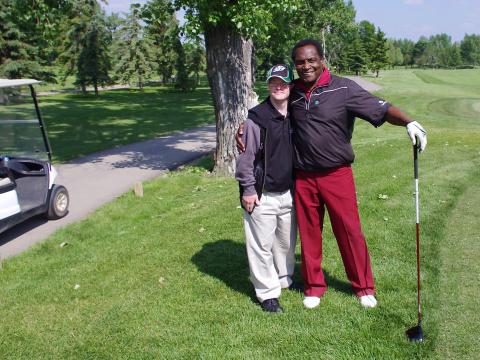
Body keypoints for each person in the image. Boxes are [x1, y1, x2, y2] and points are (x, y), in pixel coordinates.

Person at [237, 39, 427, 310]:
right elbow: (266, 111)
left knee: (349, 231)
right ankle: (314, 285)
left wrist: (408, 122)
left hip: (337, 174)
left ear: (322, 59)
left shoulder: (344, 88)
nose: (306, 66)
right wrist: (242, 128)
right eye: (300, 62)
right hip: (303, 176)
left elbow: (380, 108)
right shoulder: (294, 93)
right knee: (310, 233)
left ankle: (363, 287)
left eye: (311, 60)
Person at [236, 64, 299, 313]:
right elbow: (245, 159)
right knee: (260, 246)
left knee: (285, 243)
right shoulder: (257, 118)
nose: (279, 86)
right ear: (269, 85)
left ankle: (284, 279)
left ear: (291, 86)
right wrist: (248, 189)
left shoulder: (296, 113)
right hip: (262, 194)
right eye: (274, 82)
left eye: (283, 82)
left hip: (289, 192)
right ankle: (267, 294)